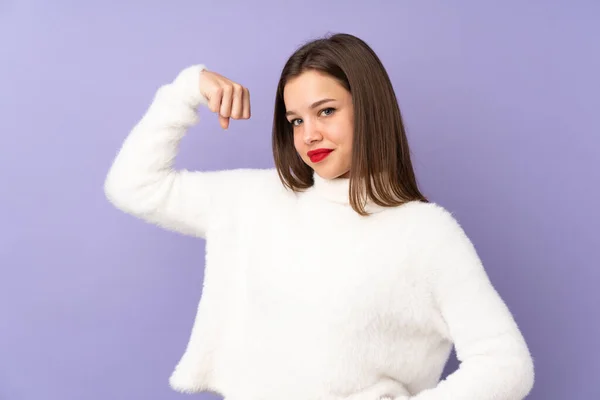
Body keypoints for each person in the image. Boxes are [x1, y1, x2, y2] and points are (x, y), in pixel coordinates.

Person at [104, 33, 534, 400]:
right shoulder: (256, 199)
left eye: (325, 111)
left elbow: (505, 362)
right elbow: (132, 186)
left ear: (368, 108)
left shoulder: (425, 233)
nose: (309, 135)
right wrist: (186, 90)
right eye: (295, 120)